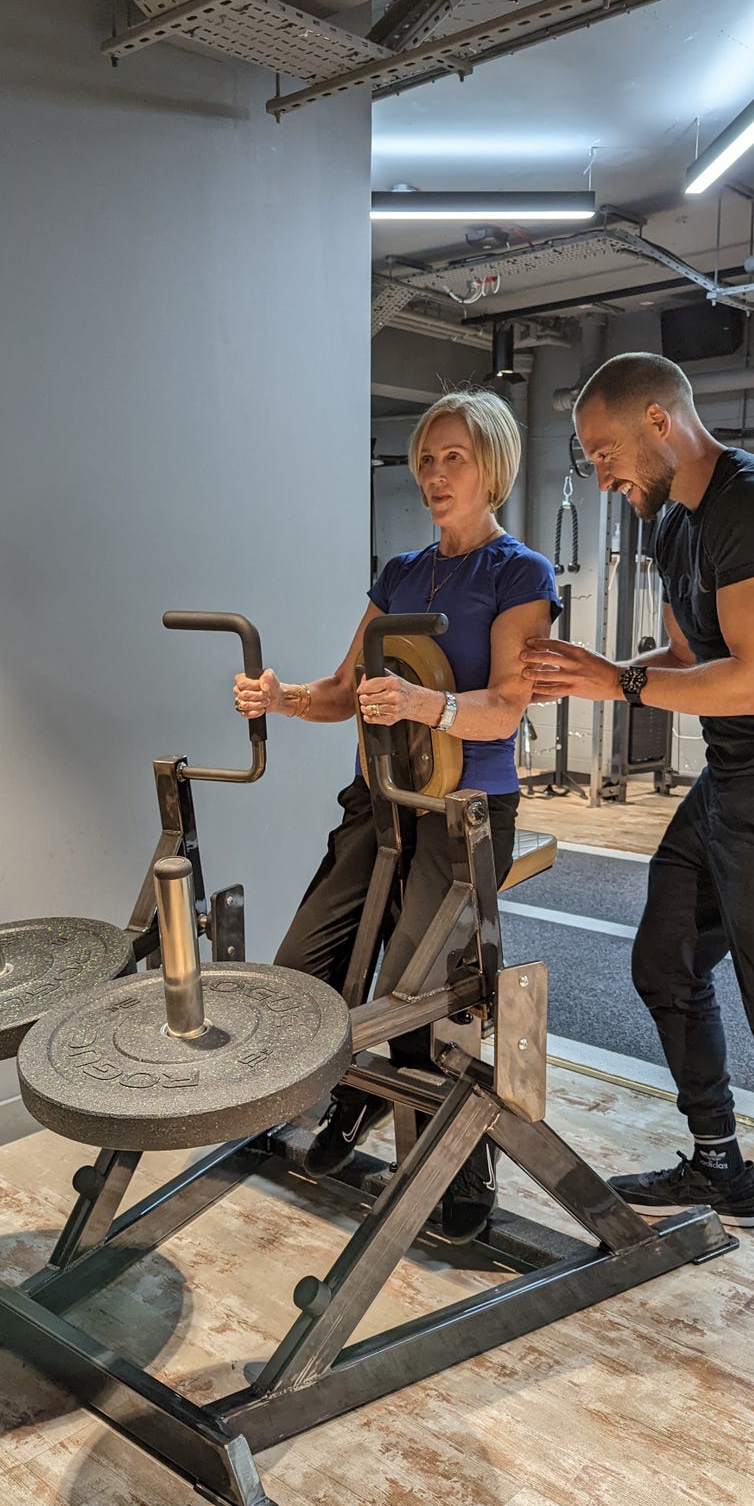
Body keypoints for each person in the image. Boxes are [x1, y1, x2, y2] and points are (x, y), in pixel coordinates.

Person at [521, 351, 754, 1364]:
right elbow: (689, 662)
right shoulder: (670, 520)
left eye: (604, 450)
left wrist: (621, 687)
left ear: (659, 420)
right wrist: (590, 676)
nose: (601, 473)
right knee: (660, 961)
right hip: (731, 779)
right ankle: (716, 1164)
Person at [234, 390, 560, 1242]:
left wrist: (423, 703)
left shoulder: (519, 574)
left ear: (491, 467)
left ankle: (459, 1156)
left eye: (453, 456)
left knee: (423, 992)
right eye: (426, 457)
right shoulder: (402, 574)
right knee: (307, 962)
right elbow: (344, 692)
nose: (434, 473)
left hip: (465, 809)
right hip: (378, 802)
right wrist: (282, 695)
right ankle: (350, 1099)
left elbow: (504, 707)